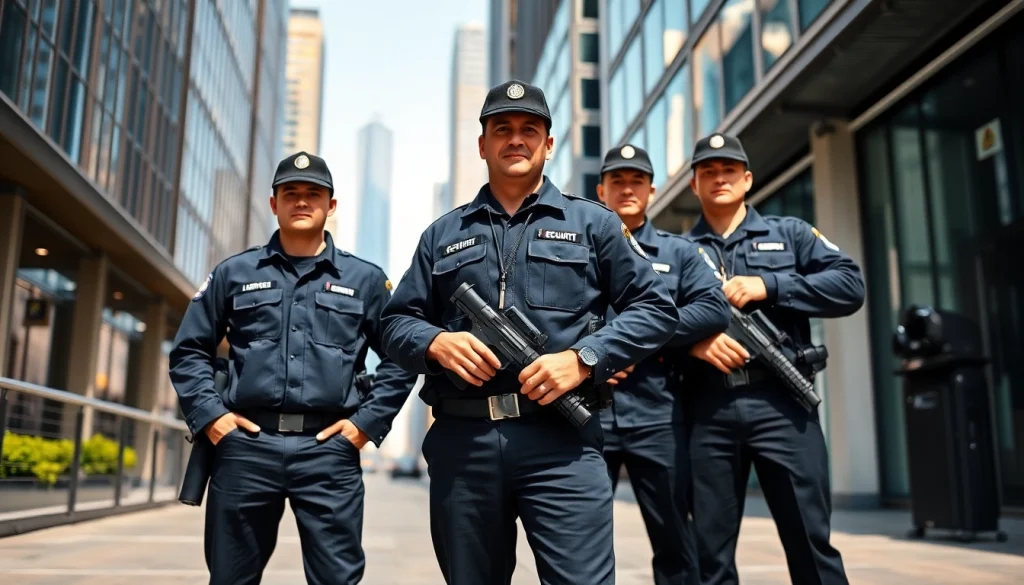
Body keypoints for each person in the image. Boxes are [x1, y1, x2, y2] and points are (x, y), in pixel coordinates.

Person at [379, 80, 680, 585]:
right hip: (464, 439)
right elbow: (393, 324)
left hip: (562, 441)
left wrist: (584, 357)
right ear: (483, 145)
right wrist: (435, 342)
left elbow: (656, 307)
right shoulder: (442, 234)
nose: (515, 139)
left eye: (529, 129)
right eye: (502, 129)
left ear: (549, 143)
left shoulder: (594, 224)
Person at [168, 151, 418, 585]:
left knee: (337, 579)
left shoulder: (366, 280)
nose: (301, 201)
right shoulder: (234, 273)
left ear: (331, 206)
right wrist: (212, 419)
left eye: (313, 194)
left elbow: (402, 357)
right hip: (246, 447)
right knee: (230, 577)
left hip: (329, 451)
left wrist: (365, 425)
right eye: (291, 193)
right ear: (274, 204)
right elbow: (189, 351)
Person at [683, 133, 865, 585]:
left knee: (810, 541)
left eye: (728, 170)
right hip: (708, 410)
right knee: (710, 553)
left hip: (783, 403)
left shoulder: (791, 233)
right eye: (708, 171)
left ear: (747, 179)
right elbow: (647, 317)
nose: (718, 178)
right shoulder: (678, 251)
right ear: (694, 185)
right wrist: (691, 344)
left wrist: (773, 285)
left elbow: (850, 286)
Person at [594, 144, 731, 585]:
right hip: (586, 412)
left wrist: (630, 343)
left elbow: (713, 309)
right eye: (618, 180)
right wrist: (593, 354)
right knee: (582, 542)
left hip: (656, 416)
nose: (627, 188)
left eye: (636, 181)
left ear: (652, 191)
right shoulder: (576, 250)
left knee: (674, 540)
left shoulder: (680, 253)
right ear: (602, 190)